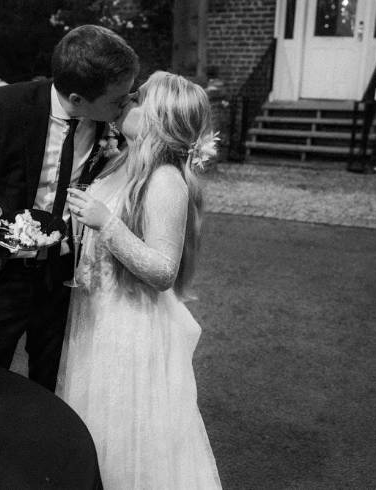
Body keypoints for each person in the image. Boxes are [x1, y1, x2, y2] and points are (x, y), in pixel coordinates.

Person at [0, 25, 139, 391]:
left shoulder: (108, 122)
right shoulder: (5, 106)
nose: (127, 104)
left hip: (60, 277)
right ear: (78, 99)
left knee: (50, 385)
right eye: (120, 98)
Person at [57, 71, 222, 488]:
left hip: (129, 326)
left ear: (160, 120)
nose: (128, 99)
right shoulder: (120, 162)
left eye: (140, 98)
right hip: (96, 313)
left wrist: (105, 223)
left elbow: (163, 270)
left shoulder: (165, 180)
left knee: (125, 434)